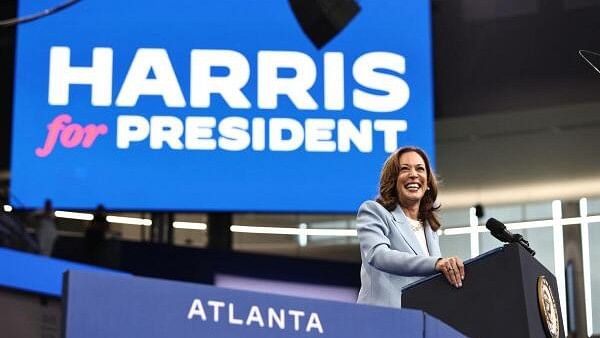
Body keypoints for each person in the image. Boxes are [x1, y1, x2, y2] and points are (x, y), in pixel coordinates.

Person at [356, 146, 465, 308]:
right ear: (393, 180)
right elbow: (379, 255)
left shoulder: (430, 228)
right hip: (380, 320)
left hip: (419, 322)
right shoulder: (373, 211)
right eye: (404, 169)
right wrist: (437, 263)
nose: (414, 175)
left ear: (427, 182)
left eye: (420, 169)